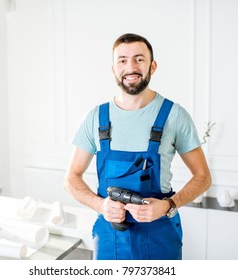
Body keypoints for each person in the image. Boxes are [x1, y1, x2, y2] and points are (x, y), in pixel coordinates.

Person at [63, 33, 211, 260]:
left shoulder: (174, 115)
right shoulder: (95, 118)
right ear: (113, 69)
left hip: (159, 237)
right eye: (122, 60)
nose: (130, 67)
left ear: (153, 66)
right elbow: (71, 177)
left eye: (139, 59)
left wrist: (169, 205)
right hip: (110, 239)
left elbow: (203, 177)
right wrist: (101, 205)